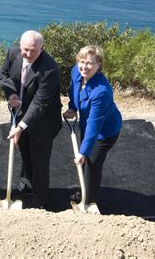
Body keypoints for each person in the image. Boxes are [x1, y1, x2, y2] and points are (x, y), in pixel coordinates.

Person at [0, 30, 62, 209]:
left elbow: (39, 103)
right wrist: (11, 93)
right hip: (20, 113)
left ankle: (40, 201)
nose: (27, 54)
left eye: (33, 51)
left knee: (39, 161)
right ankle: (26, 185)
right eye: (25, 49)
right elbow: (4, 75)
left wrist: (20, 127)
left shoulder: (50, 69)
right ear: (20, 45)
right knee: (25, 153)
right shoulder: (13, 53)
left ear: (42, 48)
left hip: (44, 121)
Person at [63, 45, 122, 205]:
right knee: (85, 160)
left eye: (90, 63)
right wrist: (73, 107)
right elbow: (73, 90)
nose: (84, 66)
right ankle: (84, 191)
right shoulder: (76, 72)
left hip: (105, 131)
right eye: (82, 61)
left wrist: (83, 152)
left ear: (99, 65)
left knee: (91, 163)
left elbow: (94, 126)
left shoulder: (101, 91)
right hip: (86, 122)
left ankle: (88, 201)